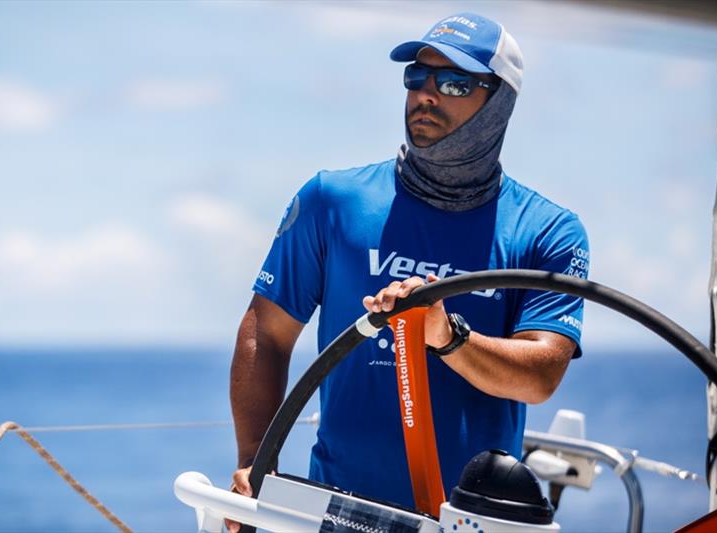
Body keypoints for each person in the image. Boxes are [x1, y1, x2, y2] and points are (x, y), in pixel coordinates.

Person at [228, 11, 589, 530]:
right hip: (334, 515)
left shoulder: (547, 230)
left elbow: (541, 373)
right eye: (417, 77)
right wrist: (255, 460)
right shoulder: (333, 201)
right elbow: (267, 330)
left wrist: (447, 336)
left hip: (467, 522)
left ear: (500, 101)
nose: (426, 94)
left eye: (453, 82)